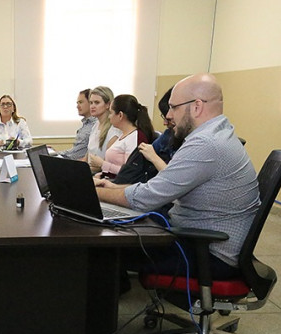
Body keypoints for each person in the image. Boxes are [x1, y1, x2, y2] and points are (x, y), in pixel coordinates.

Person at [96, 73, 260, 278]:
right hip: (197, 239)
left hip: (207, 255)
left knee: (103, 248)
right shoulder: (217, 133)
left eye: (174, 107)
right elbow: (159, 186)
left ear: (197, 106)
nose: (169, 115)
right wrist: (114, 188)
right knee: (118, 233)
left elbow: (145, 198)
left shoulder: (205, 144)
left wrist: (93, 193)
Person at [114, 87, 179, 185]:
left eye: (169, 119)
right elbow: (143, 153)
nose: (164, 123)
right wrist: (115, 186)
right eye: (164, 117)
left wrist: (154, 157)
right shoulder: (168, 135)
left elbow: (175, 182)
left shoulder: (193, 145)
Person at [94, 94, 155, 179]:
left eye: (111, 113)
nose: (109, 117)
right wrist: (102, 174)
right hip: (111, 180)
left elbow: (130, 172)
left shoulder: (135, 137)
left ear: (120, 115)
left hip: (121, 184)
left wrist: (102, 164)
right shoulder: (123, 135)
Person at [85, 86, 122, 171]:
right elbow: (87, 158)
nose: (92, 106)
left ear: (108, 105)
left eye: (97, 103)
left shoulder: (114, 131)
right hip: (89, 170)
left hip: (100, 174)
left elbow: (107, 166)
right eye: (91, 103)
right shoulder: (95, 125)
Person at [59, 89, 96, 160]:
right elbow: (74, 151)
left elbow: (75, 155)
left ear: (90, 103)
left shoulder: (95, 125)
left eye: (81, 102)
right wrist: (55, 154)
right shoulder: (86, 125)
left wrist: (56, 155)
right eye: (77, 103)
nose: (77, 106)